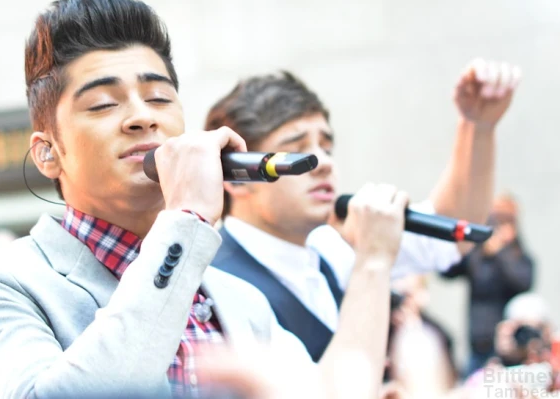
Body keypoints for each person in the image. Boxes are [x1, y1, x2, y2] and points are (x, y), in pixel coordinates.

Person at [0, 0, 412, 399]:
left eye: (160, 98)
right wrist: (185, 220)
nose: (142, 117)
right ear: (47, 154)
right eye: (103, 104)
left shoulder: (236, 298)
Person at [206, 62, 520, 362]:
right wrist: (373, 260)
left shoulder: (327, 248)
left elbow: (449, 233)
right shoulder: (216, 287)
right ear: (239, 176)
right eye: (297, 150)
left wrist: (478, 126)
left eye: (326, 148)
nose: (324, 163)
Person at [442, 193, 534, 376]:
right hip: (476, 348)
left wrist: (501, 252)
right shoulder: (478, 256)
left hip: (508, 351)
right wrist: (465, 242)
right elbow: (447, 271)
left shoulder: (517, 258)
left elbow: (524, 283)